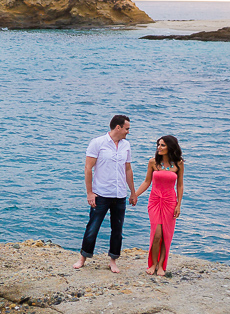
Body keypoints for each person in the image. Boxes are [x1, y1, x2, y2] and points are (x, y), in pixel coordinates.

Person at [74, 114, 137, 273]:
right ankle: (83, 258)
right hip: (101, 193)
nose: (128, 132)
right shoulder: (98, 143)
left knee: (117, 229)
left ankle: (113, 260)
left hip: (120, 194)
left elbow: (128, 169)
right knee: (93, 227)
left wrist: (133, 192)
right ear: (118, 127)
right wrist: (89, 193)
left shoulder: (126, 145)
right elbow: (88, 168)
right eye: (127, 128)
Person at [133, 135, 184, 276]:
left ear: (170, 147)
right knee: (157, 234)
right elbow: (146, 182)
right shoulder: (153, 162)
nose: (159, 148)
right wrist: (135, 195)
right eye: (158, 145)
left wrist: (179, 205)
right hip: (155, 200)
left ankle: (161, 264)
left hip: (170, 201)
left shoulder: (178, 163)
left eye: (162, 145)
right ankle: (153, 263)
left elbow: (180, 185)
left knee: (166, 234)